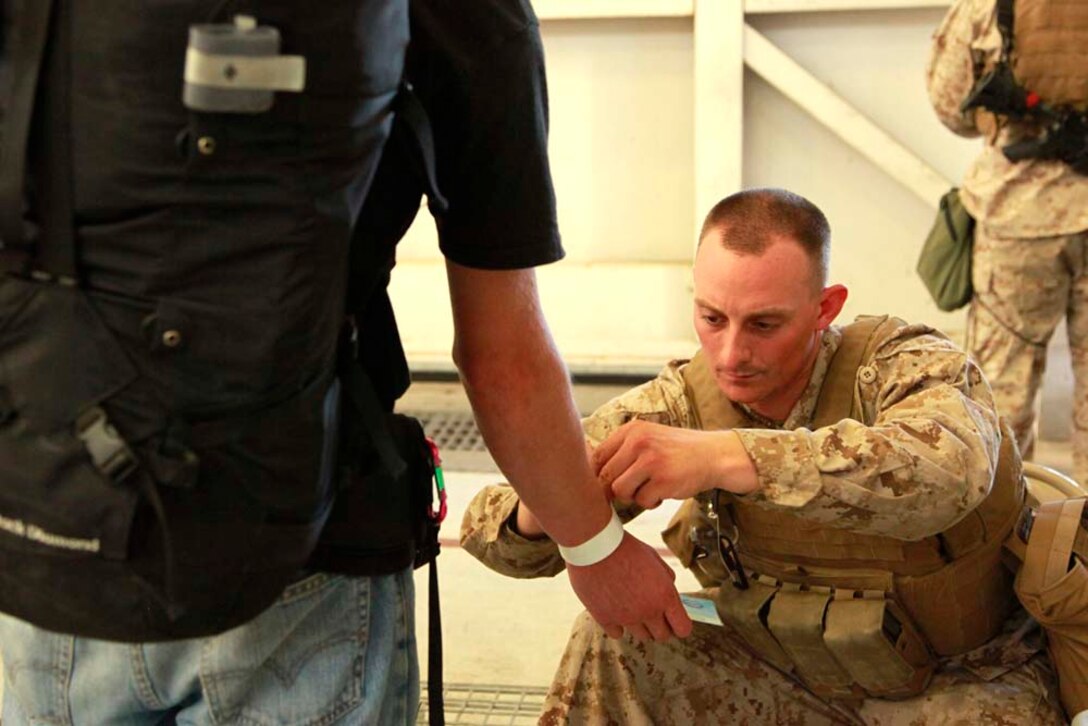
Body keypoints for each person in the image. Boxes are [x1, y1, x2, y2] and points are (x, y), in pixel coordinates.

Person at [0, 1, 687, 724]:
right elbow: (501, 361)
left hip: (51, 538)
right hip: (303, 554)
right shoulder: (467, 16)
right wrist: (595, 548)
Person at [461, 188, 1065, 724]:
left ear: (825, 308)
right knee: (614, 641)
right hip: (782, 670)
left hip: (961, 681)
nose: (730, 354)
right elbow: (489, 528)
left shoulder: (903, 364)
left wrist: (728, 457)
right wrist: (563, 512)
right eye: (711, 318)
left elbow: (949, 473)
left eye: (764, 325)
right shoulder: (685, 402)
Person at [926, 0, 1088, 485]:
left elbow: (950, 102)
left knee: (1003, 392)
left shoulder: (987, 5)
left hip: (1021, 217)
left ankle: (1009, 521)